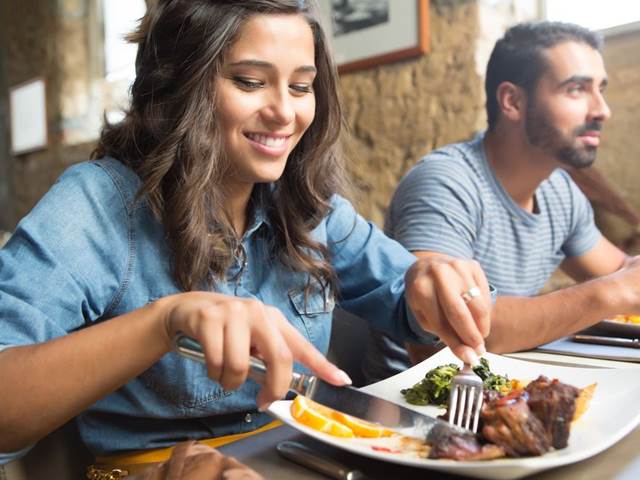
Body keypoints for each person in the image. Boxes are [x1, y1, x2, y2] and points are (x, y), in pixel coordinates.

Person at [0, 0, 492, 469]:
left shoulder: (306, 206)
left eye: (301, 87)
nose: (284, 112)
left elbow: (407, 300)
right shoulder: (96, 204)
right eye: (251, 81)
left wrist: (430, 285)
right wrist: (165, 322)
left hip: (308, 459)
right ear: (181, 84)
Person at [363, 20, 640, 383]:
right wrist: (615, 291)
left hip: (507, 386)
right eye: (576, 89)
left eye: (599, 90)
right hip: (411, 406)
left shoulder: (559, 190)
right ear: (512, 101)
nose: (601, 110)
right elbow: (450, 329)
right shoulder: (445, 182)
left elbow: (622, 271)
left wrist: (623, 284)